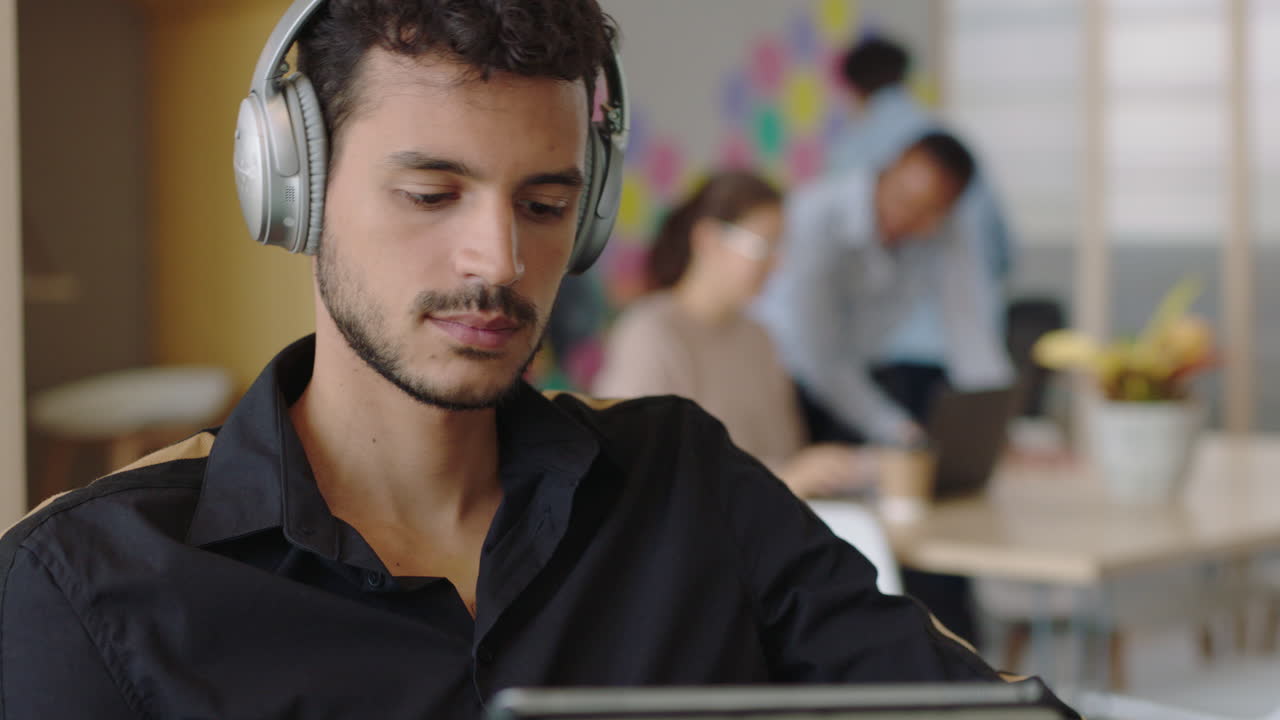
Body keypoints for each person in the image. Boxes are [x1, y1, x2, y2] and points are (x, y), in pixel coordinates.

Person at [0, 2, 1075, 718]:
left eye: (547, 204)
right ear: (294, 192)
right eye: (431, 195)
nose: (499, 260)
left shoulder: (685, 482)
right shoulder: (86, 588)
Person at [754, 132, 1014, 644]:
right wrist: (895, 428)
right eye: (901, 199)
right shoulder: (818, 218)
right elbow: (820, 358)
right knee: (835, 539)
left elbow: (969, 327)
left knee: (928, 516)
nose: (906, 218)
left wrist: (1003, 423)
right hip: (794, 377)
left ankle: (959, 656)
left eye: (927, 212)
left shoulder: (945, 227)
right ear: (886, 170)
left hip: (859, 375)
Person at [592, 172, 865, 499]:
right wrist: (786, 478)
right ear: (708, 240)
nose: (777, 265)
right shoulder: (651, 333)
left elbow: (786, 451)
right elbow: (644, 472)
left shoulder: (759, 338)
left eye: (780, 248)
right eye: (764, 245)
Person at [825, 37, 1015, 432]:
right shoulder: (950, 147)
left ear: (853, 90)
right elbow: (999, 251)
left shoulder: (850, 151)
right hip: (946, 354)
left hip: (871, 359)